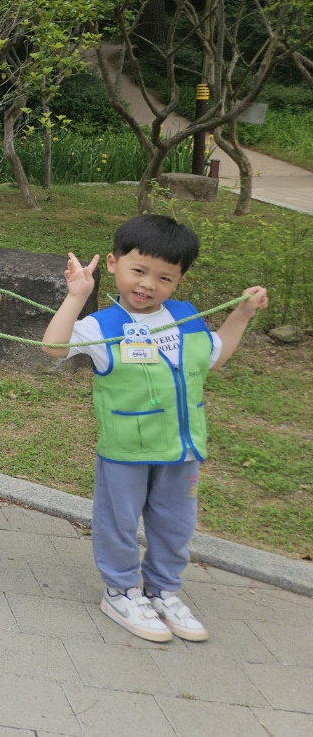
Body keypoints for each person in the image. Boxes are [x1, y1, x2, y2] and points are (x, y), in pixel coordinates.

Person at [43, 214, 268, 643]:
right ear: (113, 263)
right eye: (138, 270)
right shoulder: (102, 326)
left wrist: (241, 313)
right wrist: (76, 297)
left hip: (182, 451)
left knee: (175, 526)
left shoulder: (187, 318)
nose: (148, 284)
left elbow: (214, 357)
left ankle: (163, 590)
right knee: (119, 522)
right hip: (125, 450)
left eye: (165, 277)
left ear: (179, 281)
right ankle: (121, 590)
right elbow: (54, 347)